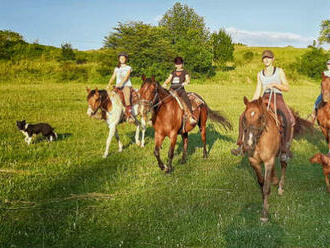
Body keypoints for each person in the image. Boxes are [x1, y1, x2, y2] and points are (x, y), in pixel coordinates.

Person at [231, 50, 295, 161]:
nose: (266, 60)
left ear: (273, 59)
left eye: (269, 58)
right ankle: (240, 145)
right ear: (262, 60)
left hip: (277, 97)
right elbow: (258, 91)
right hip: (263, 98)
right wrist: (251, 103)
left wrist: (275, 85)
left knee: (288, 119)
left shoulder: (279, 71)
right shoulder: (260, 74)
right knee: (243, 116)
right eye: (264, 58)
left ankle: (285, 149)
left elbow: (287, 87)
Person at [162, 56, 196, 125]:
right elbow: (169, 79)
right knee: (163, 99)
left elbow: (188, 79)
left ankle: (191, 116)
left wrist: (186, 82)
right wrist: (165, 83)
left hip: (180, 90)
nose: (178, 65)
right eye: (177, 64)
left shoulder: (184, 72)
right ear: (175, 65)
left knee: (186, 100)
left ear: (182, 64)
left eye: (180, 64)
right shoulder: (173, 72)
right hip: (172, 89)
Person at [106, 52, 132, 118]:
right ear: (119, 59)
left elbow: (126, 77)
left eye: (123, 58)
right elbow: (113, 77)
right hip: (117, 86)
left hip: (126, 85)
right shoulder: (116, 68)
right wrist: (109, 84)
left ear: (126, 59)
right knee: (109, 96)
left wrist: (121, 83)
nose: (122, 59)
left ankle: (129, 114)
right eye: (120, 58)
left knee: (127, 97)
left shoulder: (128, 68)